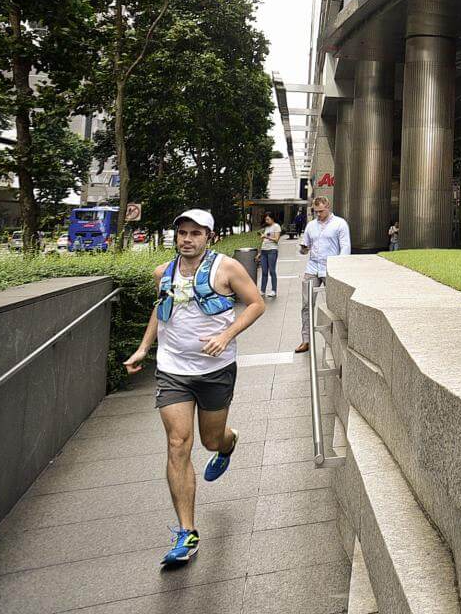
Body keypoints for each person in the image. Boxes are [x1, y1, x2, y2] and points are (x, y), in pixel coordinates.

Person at [122, 209, 265, 569]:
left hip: (215, 370)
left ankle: (228, 443)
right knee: (177, 443)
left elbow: (256, 304)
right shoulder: (164, 272)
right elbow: (161, 309)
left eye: (195, 233)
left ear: (210, 237)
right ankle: (187, 532)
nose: (187, 239)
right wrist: (144, 348)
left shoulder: (226, 268)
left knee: (211, 441)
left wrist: (226, 335)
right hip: (173, 370)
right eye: (182, 233)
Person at [296, 195, 349, 354]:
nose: (318, 214)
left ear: (328, 207)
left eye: (320, 211)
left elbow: (345, 248)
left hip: (330, 268)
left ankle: (340, 338)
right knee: (306, 305)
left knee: (335, 304)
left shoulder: (340, 224)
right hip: (312, 268)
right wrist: (303, 249)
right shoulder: (311, 226)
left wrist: (339, 268)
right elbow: (304, 249)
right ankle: (306, 340)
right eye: (316, 211)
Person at [258, 212, 281, 297]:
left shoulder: (276, 226)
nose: (266, 221)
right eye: (265, 219)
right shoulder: (266, 227)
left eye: (268, 219)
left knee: (272, 271)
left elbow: (276, 239)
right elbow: (263, 241)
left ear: (272, 218)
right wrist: (259, 253)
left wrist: (266, 236)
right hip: (264, 251)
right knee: (264, 271)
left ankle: (274, 290)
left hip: (272, 250)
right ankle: (262, 290)